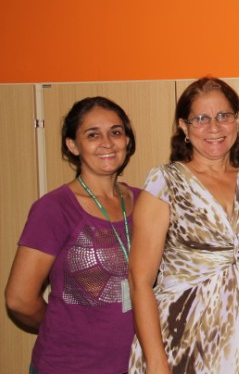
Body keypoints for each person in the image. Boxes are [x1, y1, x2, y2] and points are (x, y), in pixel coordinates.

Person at [128, 77, 239, 374]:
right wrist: (156, 361)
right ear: (184, 126)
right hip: (180, 341)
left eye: (223, 116)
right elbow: (139, 280)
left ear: (237, 120)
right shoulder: (165, 182)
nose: (214, 127)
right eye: (201, 118)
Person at [5, 96, 139, 374]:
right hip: (68, 366)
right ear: (73, 145)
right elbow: (19, 299)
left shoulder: (145, 203)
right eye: (93, 135)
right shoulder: (54, 208)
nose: (107, 143)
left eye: (115, 132)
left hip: (135, 364)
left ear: (127, 140)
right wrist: (62, 326)